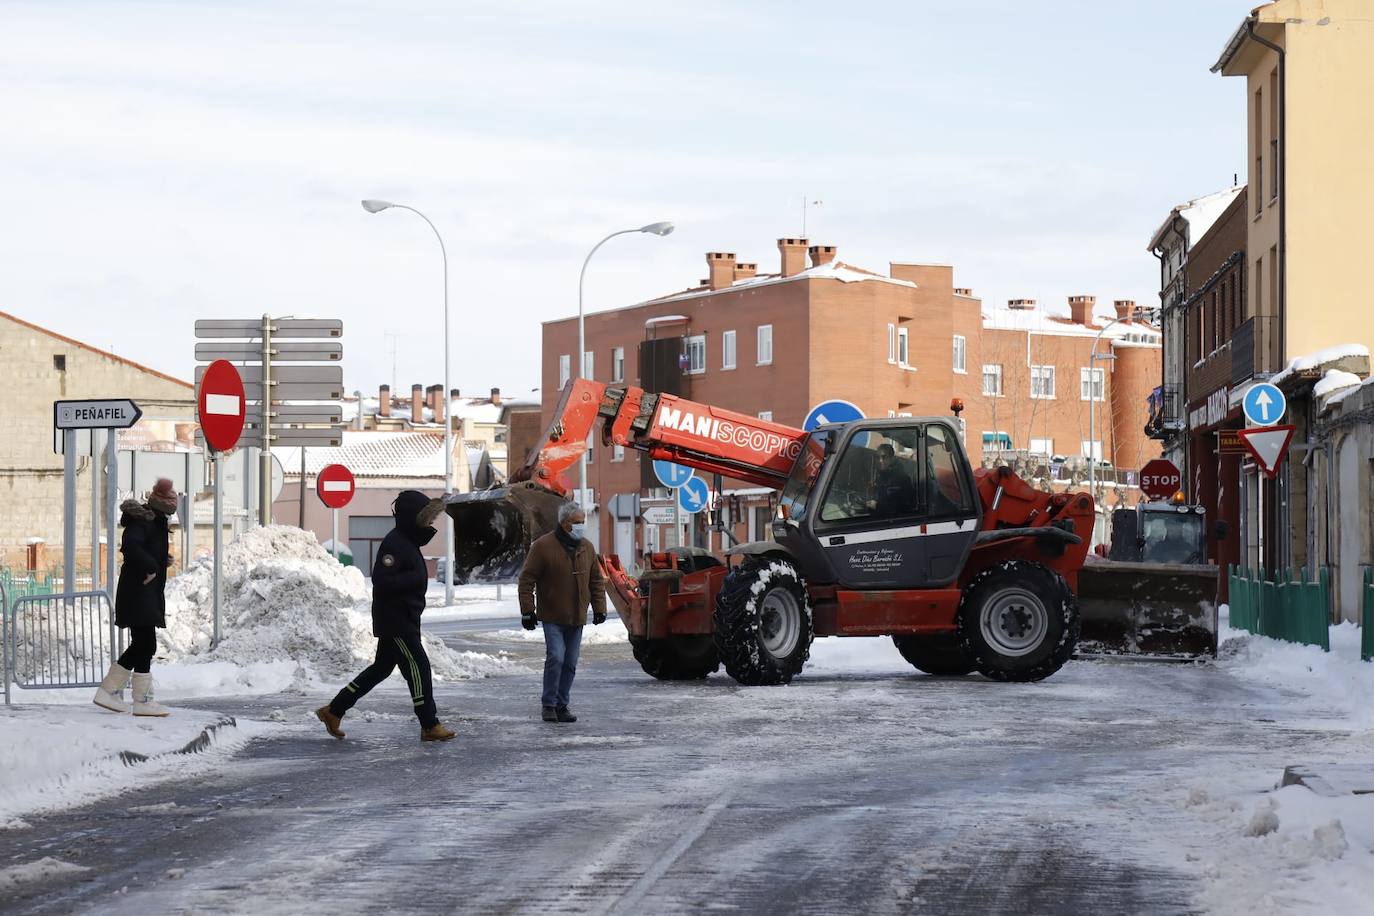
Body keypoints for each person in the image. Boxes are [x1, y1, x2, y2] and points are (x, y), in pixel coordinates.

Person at [316, 490, 456, 742]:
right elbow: (382, 580)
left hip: (403, 617)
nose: (429, 525)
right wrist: (414, 579)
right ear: (412, 518)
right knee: (419, 666)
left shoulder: (406, 542)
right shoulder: (396, 543)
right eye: (426, 520)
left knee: (381, 669)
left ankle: (334, 710)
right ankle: (429, 724)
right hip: (397, 620)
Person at [518, 502, 607, 723]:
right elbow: (526, 579)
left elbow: (595, 580)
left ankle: (561, 705)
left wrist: (599, 609)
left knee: (570, 662)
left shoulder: (586, 547)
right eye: (578, 523)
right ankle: (548, 705)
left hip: (577, 616)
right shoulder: (543, 546)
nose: (582, 527)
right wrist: (528, 611)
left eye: (583, 522)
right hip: (552, 615)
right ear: (565, 523)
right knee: (556, 657)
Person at [94, 478, 176, 717]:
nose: (174, 506)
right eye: (171, 502)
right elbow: (130, 545)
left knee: (144, 644)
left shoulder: (155, 522)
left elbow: (144, 548)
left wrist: (160, 561)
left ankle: (141, 699)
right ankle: (113, 692)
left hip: (144, 592)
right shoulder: (145, 522)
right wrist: (151, 566)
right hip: (138, 591)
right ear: (162, 504)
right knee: (145, 643)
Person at [866, 443, 917, 519]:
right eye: (878, 457)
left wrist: (877, 506)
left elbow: (904, 508)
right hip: (879, 520)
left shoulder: (901, 478)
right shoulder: (880, 477)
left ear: (891, 458)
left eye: (884, 457)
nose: (880, 460)